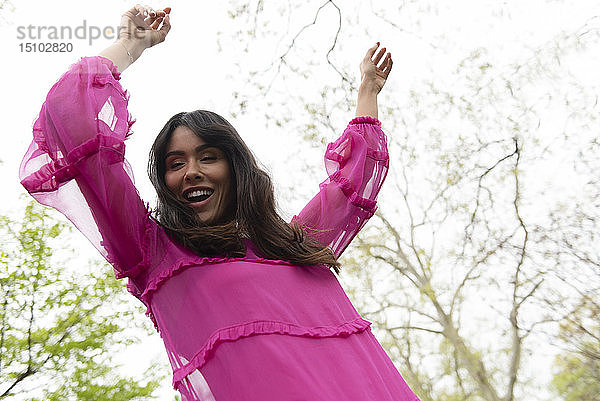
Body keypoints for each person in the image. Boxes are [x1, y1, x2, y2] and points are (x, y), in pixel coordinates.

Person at [19, 4, 420, 401]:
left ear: (236, 167)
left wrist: (368, 91)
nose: (192, 170)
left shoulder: (296, 244)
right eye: (176, 163)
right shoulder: (151, 250)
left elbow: (351, 185)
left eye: (208, 157)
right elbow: (73, 127)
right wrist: (131, 45)